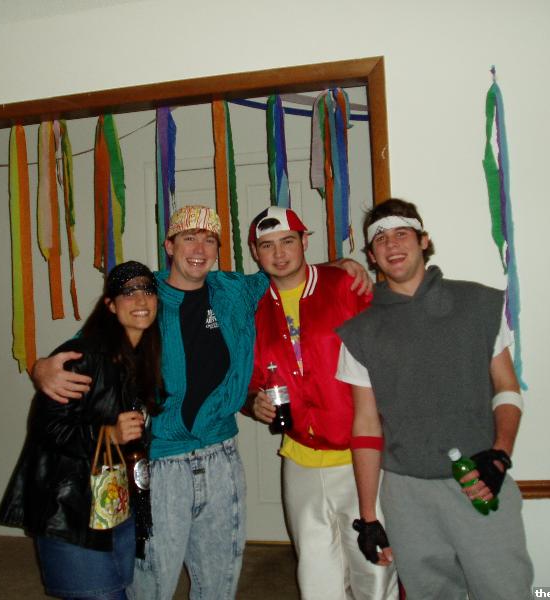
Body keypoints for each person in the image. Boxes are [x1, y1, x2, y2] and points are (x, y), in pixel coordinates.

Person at [32, 205, 370, 600]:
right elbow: (92, 340)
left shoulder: (234, 290)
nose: (199, 248)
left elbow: (285, 268)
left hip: (222, 458)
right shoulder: (144, 295)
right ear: (169, 246)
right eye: (188, 238)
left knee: (218, 585)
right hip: (160, 464)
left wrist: (340, 265)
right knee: (151, 586)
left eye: (209, 239)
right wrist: (42, 367)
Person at [335, 199, 534, 599]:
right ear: (371, 255)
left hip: (478, 480)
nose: (392, 245)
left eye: (402, 234)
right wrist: (369, 516)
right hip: (407, 496)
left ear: (424, 241)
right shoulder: (359, 333)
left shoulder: (479, 304)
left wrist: (499, 455)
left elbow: (506, 387)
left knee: (506, 591)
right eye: (380, 240)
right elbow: (366, 425)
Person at [245, 206, 398, 600]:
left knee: (374, 571)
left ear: (304, 242)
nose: (279, 253)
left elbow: (388, 353)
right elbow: (252, 380)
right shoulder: (253, 306)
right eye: (267, 246)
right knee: (315, 576)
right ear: (255, 252)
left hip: (358, 458)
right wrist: (252, 402)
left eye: (288, 241)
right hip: (299, 461)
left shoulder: (345, 285)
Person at [0, 261, 161, 600]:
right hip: (72, 510)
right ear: (110, 305)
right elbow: (47, 427)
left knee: (116, 591)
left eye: (147, 290)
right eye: (128, 292)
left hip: (116, 502)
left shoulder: (141, 357)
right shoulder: (81, 357)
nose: (140, 299)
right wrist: (108, 434)